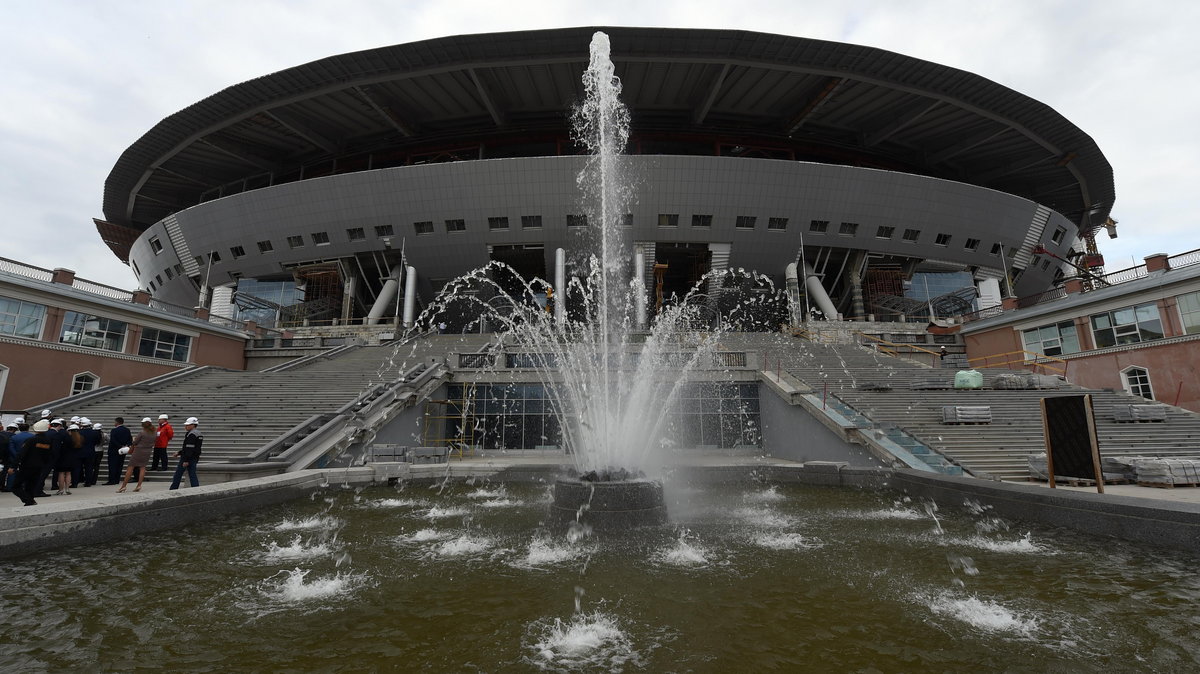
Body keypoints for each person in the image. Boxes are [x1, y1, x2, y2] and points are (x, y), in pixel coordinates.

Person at [9, 420, 54, 506]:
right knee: (31, 485)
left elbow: (22, 453)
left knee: (15, 486)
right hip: (39, 466)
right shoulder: (48, 441)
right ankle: (30, 501)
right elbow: (48, 455)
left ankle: (28, 500)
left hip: (27, 466)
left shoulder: (31, 440)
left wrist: (13, 466)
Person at [117, 418, 156, 493]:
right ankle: (139, 485)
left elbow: (135, 442)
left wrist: (133, 440)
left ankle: (123, 486)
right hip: (148, 451)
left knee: (130, 468)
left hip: (138, 451)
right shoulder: (154, 432)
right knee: (142, 468)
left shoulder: (142, 432)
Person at [169, 417, 203, 490]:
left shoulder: (191, 434)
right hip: (194, 457)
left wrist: (186, 460)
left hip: (188, 458)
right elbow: (193, 448)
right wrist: (179, 452)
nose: (186, 426)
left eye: (187, 425)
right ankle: (196, 489)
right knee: (192, 474)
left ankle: (173, 489)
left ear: (193, 425)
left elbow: (189, 448)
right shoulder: (198, 434)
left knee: (178, 474)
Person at [55, 424, 83, 495]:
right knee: (68, 473)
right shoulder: (80, 438)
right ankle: (67, 489)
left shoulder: (66, 438)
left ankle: (61, 489)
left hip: (63, 457)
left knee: (61, 473)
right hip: (73, 458)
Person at [5, 419, 32, 492]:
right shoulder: (32, 437)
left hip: (14, 457)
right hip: (28, 458)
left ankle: (10, 487)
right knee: (27, 473)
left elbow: (11, 448)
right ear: (28, 428)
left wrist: (17, 456)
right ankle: (25, 486)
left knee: (12, 472)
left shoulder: (14, 437)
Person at [104, 417, 132, 485]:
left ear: (117, 422)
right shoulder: (127, 430)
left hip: (114, 450)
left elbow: (113, 440)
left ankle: (112, 480)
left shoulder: (114, 430)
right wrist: (126, 446)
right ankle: (117, 479)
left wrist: (119, 446)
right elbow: (130, 439)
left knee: (112, 465)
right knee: (120, 465)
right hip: (123, 450)